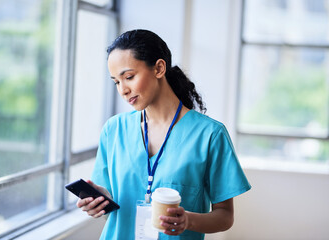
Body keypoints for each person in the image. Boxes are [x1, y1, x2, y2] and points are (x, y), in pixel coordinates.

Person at [77, 29, 251, 240]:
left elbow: (225, 216)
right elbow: (114, 201)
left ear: (159, 68)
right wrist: (100, 202)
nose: (123, 89)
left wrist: (188, 220)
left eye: (129, 77)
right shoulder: (113, 130)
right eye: (116, 82)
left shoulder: (210, 135)